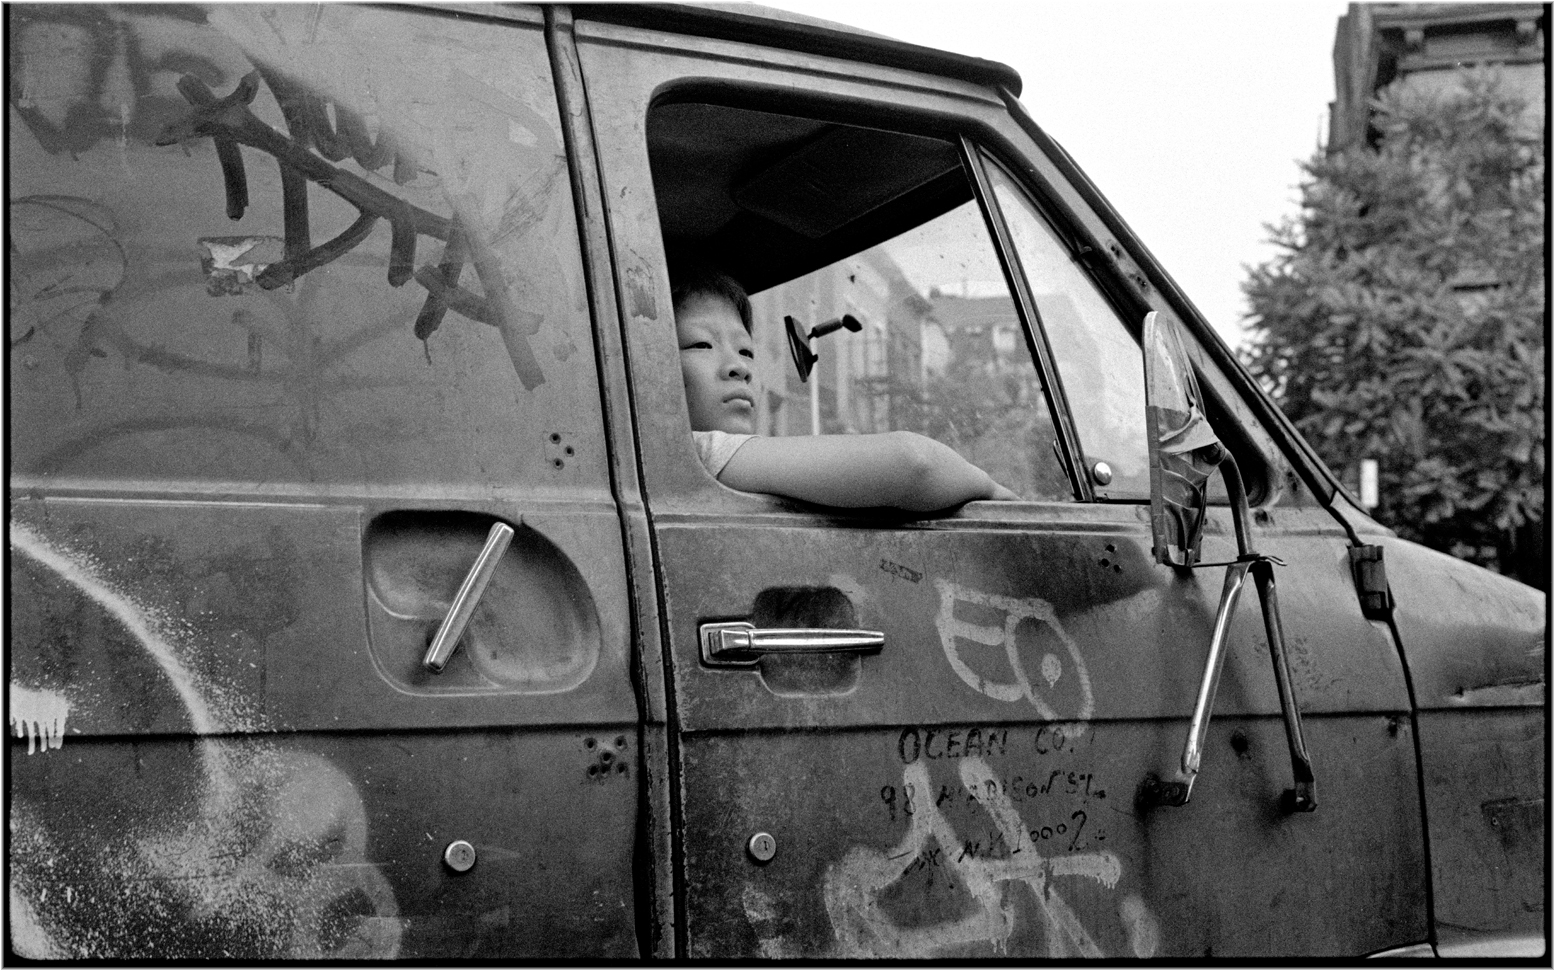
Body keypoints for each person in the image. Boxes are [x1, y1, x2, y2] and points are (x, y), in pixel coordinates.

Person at [671, 258, 1020, 512]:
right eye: (702, 344)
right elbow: (913, 463)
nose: (739, 368)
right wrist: (990, 489)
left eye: (746, 351)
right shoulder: (699, 453)